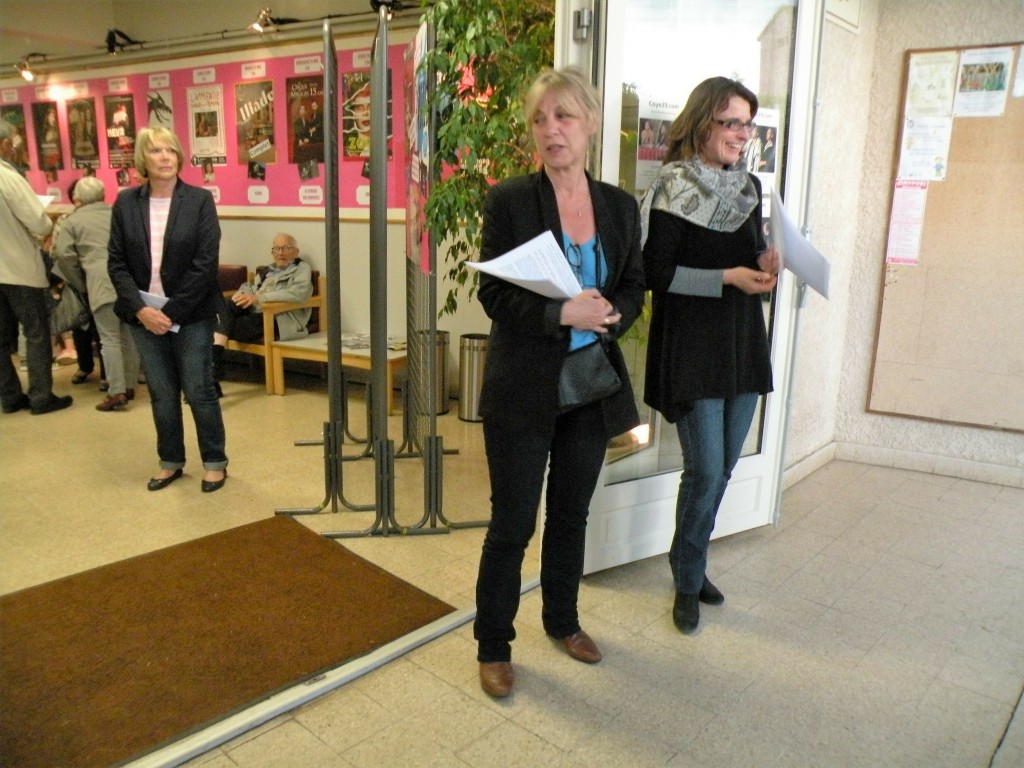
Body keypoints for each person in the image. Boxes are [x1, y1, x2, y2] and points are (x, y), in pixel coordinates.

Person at [473, 68, 645, 698]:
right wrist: (561, 313)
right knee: (513, 523)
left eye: (564, 116)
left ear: (591, 123)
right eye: (540, 119)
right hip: (523, 388)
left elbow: (633, 285)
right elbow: (493, 294)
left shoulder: (619, 207)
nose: (551, 130)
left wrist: (612, 312)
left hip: (589, 386)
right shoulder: (510, 201)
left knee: (571, 514)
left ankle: (563, 621)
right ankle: (494, 645)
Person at [640, 77, 779, 635]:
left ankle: (690, 562)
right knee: (704, 470)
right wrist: (727, 277)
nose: (742, 134)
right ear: (702, 123)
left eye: (748, 124)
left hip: (741, 343)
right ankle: (687, 576)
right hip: (694, 346)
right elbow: (657, 274)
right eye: (731, 123)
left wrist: (766, 264)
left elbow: (753, 257)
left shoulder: (749, 186)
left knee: (723, 468)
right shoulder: (673, 187)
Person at [107, 126, 229, 492]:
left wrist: (170, 313)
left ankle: (215, 462)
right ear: (142, 159)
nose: (164, 157)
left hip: (190, 315)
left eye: (171, 150)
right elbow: (116, 263)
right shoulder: (126, 203)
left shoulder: (199, 200)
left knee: (199, 390)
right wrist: (142, 310)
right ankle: (171, 461)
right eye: (156, 150)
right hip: (143, 316)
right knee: (161, 393)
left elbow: (205, 264)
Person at [0, 119, 73, 415]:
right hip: (18, 269)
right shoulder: (8, 177)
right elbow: (39, 223)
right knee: (36, 333)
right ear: (5, 143)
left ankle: (9, 396)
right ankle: (41, 396)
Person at [52, 176, 141, 412]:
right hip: (129, 282)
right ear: (103, 195)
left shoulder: (72, 221)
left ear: (77, 198)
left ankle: (116, 391)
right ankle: (130, 385)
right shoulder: (119, 214)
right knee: (129, 336)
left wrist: (80, 282)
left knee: (109, 338)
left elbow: (63, 255)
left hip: (100, 283)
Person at [211, 233, 313, 386]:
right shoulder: (267, 270)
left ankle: (214, 367)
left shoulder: (301, 269)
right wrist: (242, 294)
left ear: (296, 251)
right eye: (276, 249)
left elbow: (299, 293)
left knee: (221, 324)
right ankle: (215, 368)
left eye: (285, 248)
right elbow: (249, 286)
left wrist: (260, 298)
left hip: (278, 316)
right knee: (224, 305)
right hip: (254, 310)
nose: (280, 253)